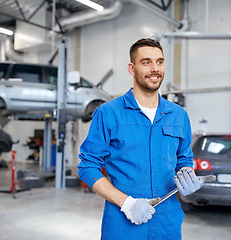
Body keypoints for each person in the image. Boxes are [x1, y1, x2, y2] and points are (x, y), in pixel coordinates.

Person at [78, 38, 202, 240]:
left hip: (168, 225)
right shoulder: (108, 113)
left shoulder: (179, 115)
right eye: (146, 62)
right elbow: (87, 167)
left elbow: (184, 159)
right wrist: (127, 203)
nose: (155, 69)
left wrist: (187, 174)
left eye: (159, 62)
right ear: (132, 68)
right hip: (123, 226)